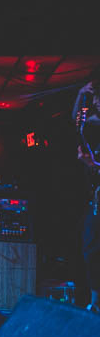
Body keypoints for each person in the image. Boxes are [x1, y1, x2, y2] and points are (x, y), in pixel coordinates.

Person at [72, 72, 100, 312]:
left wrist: (92, 165)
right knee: (91, 247)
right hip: (96, 198)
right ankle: (95, 301)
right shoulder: (94, 123)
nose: (97, 102)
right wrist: (82, 94)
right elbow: (78, 121)